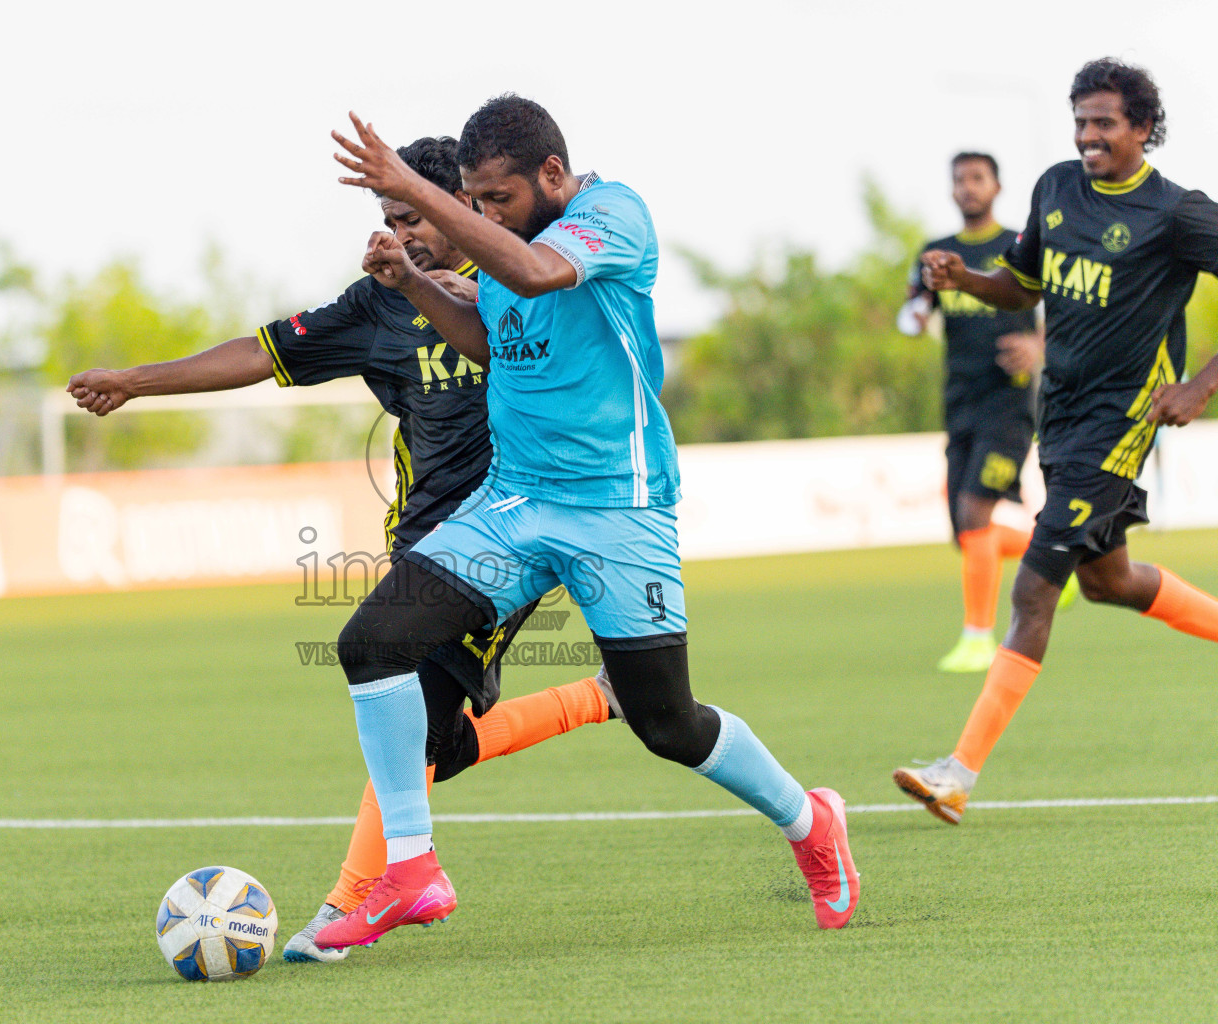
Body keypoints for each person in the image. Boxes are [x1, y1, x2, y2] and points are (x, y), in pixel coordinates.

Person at [315, 95, 860, 953]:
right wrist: (417, 282)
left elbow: (532, 273)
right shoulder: (499, 238)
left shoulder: (615, 214)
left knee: (667, 723)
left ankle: (810, 819)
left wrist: (413, 187)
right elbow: (494, 339)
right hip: (515, 501)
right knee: (371, 643)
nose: (484, 217)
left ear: (553, 176)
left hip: (617, 509)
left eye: (498, 199)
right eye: (474, 200)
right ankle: (410, 873)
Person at [67, 136, 620, 962]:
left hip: (509, 534)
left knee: (411, 708)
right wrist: (136, 379)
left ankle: (348, 906)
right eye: (391, 218)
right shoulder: (379, 303)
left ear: (466, 208)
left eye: (417, 216)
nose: (402, 233)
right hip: (420, 542)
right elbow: (262, 352)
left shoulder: (525, 287)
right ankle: (600, 699)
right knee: (438, 741)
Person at [894, 57, 1218, 824]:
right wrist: (963, 279)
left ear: (1144, 129)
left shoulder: (1176, 213)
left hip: (1121, 423)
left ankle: (958, 771)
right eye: (1080, 122)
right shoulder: (1055, 187)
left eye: (1104, 122)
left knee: (1035, 587)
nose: (1088, 136)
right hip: (1061, 415)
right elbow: (1025, 284)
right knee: (1110, 581)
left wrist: (1200, 387)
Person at [899, 153, 1055, 673]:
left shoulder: (1019, 245)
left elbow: (1062, 305)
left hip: (1009, 403)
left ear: (997, 186)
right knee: (964, 532)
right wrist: (915, 312)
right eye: (959, 180)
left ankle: (978, 638)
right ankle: (1058, 556)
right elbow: (914, 308)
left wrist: (1038, 347)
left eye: (977, 178)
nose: (968, 188)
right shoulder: (936, 254)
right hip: (960, 402)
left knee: (974, 515)